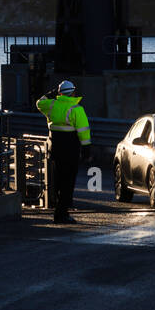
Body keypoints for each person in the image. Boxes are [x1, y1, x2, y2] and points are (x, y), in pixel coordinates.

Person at [35, 80, 91, 224]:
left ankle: (60, 210)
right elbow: (84, 131)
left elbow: (39, 102)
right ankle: (62, 213)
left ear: (60, 93)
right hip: (71, 149)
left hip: (56, 148)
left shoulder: (52, 105)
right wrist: (86, 150)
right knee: (68, 181)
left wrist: (51, 93)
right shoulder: (76, 109)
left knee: (59, 180)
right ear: (73, 92)